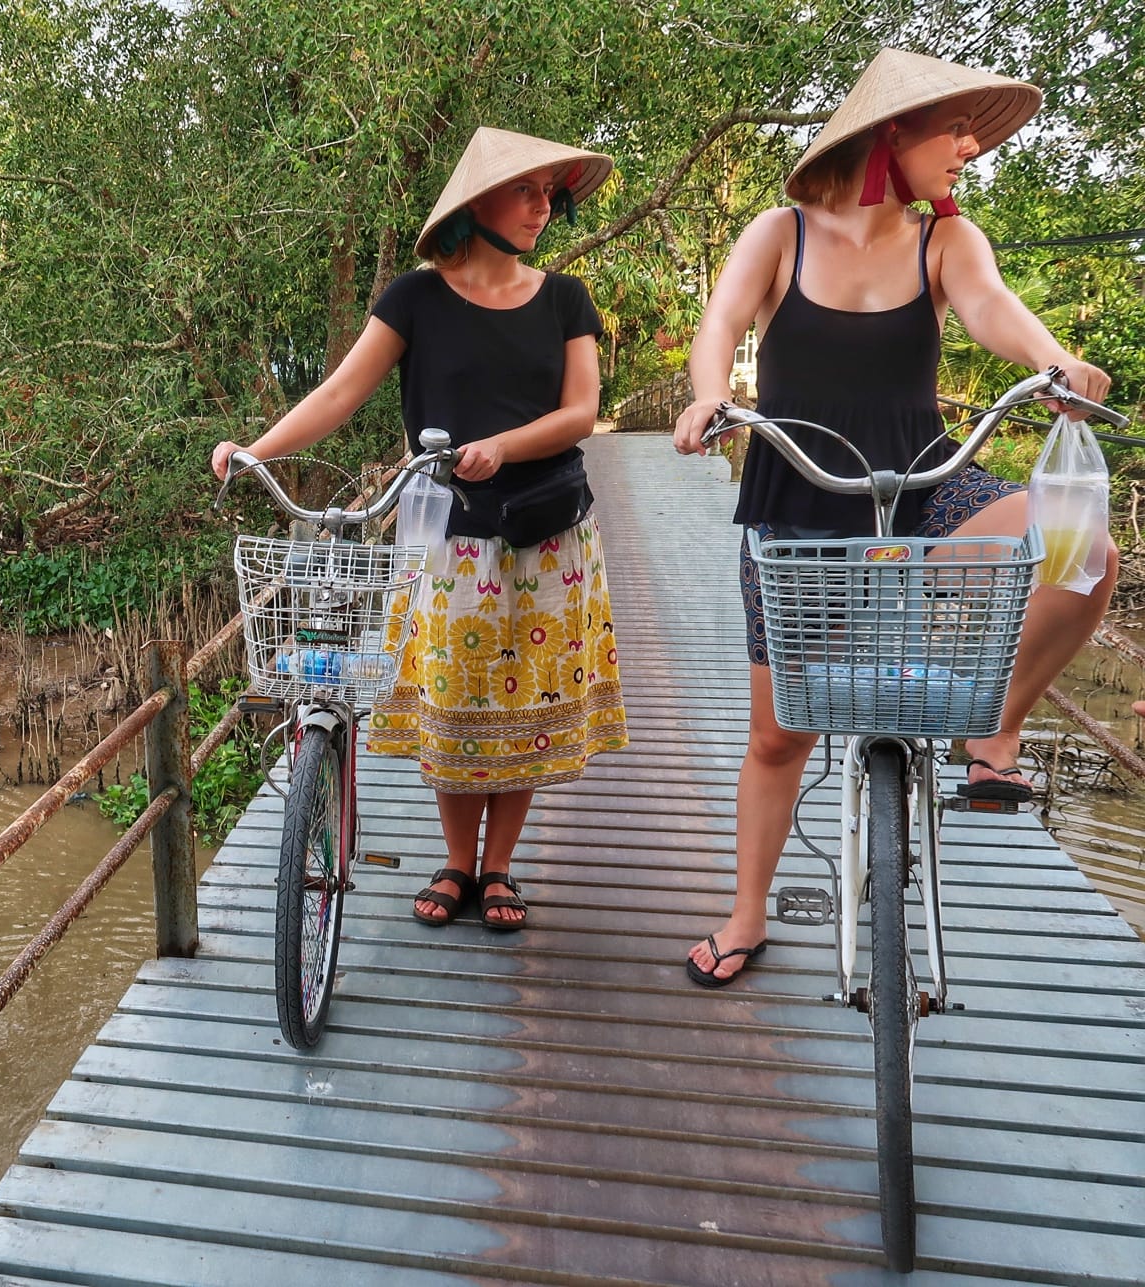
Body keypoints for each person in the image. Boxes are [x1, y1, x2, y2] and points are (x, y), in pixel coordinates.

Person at [671, 48, 1116, 986]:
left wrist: (1053, 364)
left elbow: (993, 306)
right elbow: (720, 323)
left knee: (1085, 556)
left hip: (926, 483)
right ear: (891, 134)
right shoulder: (780, 233)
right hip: (797, 495)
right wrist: (710, 397)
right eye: (953, 129)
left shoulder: (945, 241)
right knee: (777, 734)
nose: (967, 149)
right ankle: (749, 913)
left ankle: (992, 729)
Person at [212, 127, 629, 931]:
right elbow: (340, 394)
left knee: (529, 706)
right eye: (527, 190)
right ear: (478, 202)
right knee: (452, 705)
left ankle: (500, 865)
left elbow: (582, 409)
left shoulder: (565, 298)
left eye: (552, 192)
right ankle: (456, 861)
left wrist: (502, 446)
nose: (544, 206)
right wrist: (252, 451)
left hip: (547, 534)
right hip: (446, 537)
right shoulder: (415, 297)